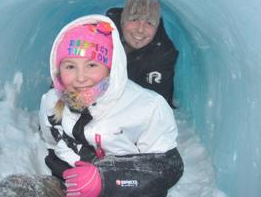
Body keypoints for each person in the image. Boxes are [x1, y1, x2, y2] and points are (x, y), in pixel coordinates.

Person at [38, 14, 183, 197]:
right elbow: (53, 147)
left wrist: (106, 180)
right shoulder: (51, 102)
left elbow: (169, 168)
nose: (81, 77)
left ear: (110, 67)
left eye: (91, 65)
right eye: (70, 66)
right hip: (72, 189)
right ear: (58, 69)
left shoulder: (148, 107)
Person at [106, 0, 178, 108]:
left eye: (149, 23)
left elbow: (157, 103)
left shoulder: (162, 53)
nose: (140, 29)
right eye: (134, 19)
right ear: (122, 21)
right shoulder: (104, 34)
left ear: (156, 27)